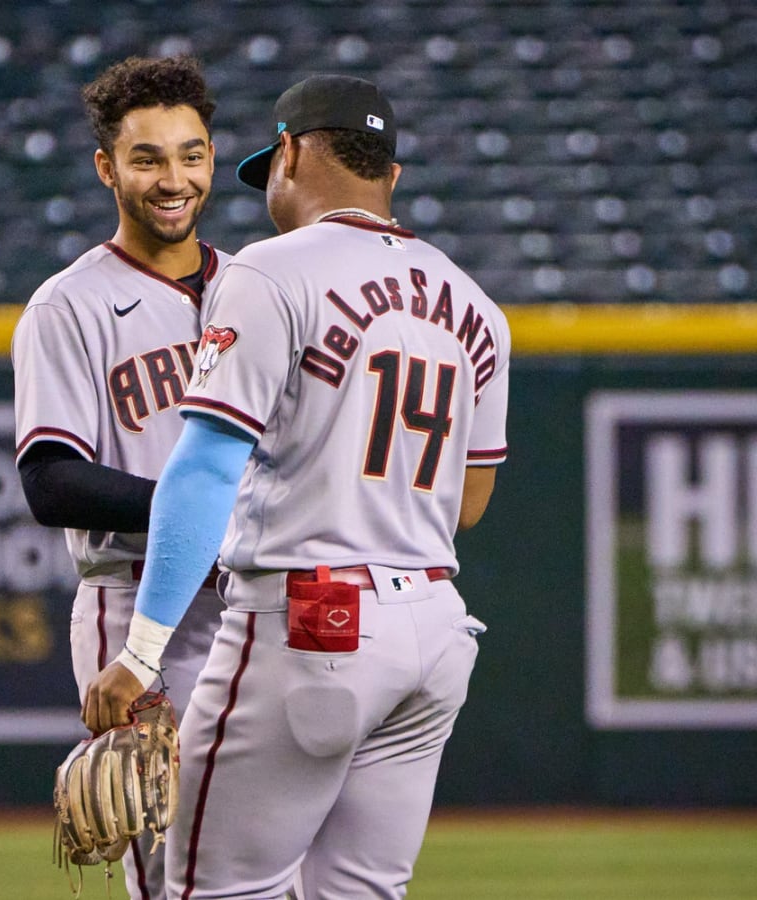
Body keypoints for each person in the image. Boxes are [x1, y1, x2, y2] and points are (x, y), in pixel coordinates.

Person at [83, 74, 510, 899]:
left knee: (210, 889)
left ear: (288, 153)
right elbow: (469, 503)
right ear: (392, 175)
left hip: (314, 625)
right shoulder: (475, 303)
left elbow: (203, 467)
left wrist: (140, 655)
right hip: (434, 635)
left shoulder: (271, 271)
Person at [10, 55, 231, 900]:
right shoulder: (69, 305)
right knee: (174, 877)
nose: (174, 178)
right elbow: (51, 479)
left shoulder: (257, 287)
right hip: (137, 608)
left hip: (257, 608)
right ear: (108, 168)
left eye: (192, 153)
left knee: (263, 864)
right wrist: (198, 516)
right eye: (148, 158)